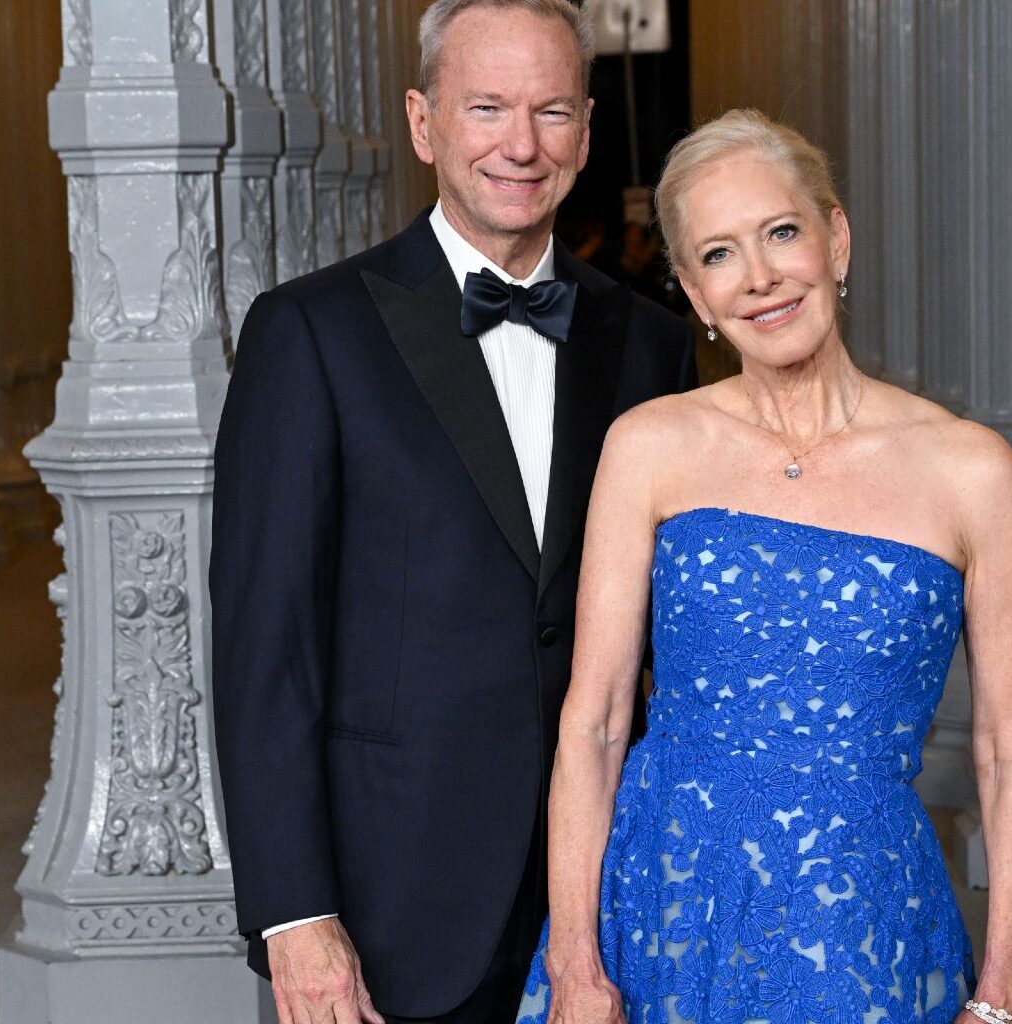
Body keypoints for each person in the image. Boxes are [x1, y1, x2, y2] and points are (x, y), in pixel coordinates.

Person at [207, 1, 695, 1021]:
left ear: (587, 133)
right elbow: (267, 651)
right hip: (396, 898)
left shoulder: (650, 344)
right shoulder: (309, 332)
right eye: (487, 108)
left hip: (609, 885)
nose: (522, 145)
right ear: (425, 123)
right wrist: (295, 914)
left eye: (551, 111)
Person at [517, 109, 1012, 1024]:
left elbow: (1007, 751)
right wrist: (574, 963)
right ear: (693, 291)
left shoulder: (971, 470)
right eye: (719, 255)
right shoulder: (649, 447)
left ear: (836, 240)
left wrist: (1005, 993)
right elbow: (594, 723)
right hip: (664, 911)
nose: (759, 277)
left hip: (862, 922)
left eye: (782, 233)